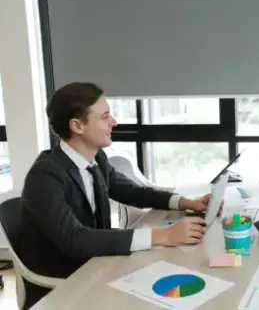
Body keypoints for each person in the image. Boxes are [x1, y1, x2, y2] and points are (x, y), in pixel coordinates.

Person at [19, 82, 218, 308]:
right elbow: (74, 239)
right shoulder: (44, 176)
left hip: (99, 261)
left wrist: (184, 202)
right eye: (105, 117)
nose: (114, 122)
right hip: (70, 280)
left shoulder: (97, 160)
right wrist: (163, 236)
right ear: (77, 125)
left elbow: (132, 191)